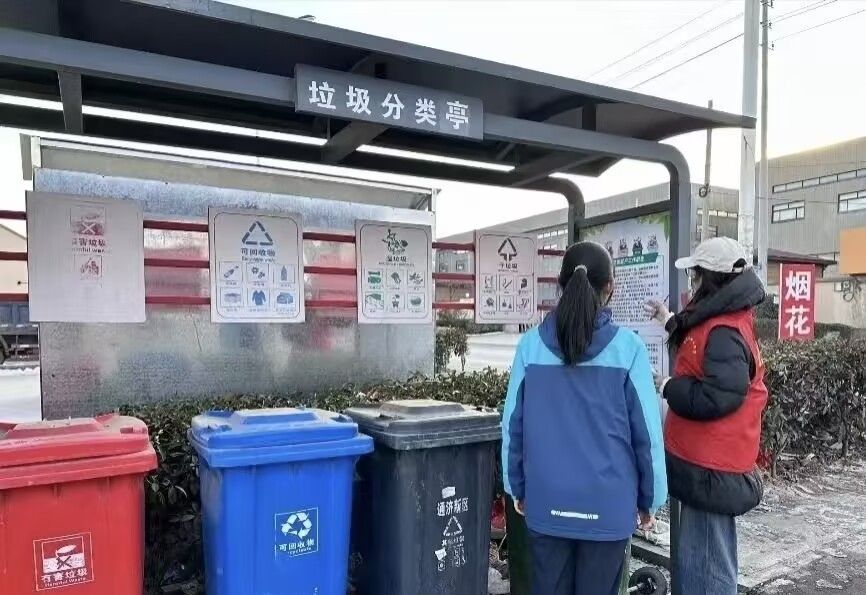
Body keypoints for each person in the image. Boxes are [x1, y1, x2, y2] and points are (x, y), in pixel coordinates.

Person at [502, 241, 667, 595]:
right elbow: (648, 438)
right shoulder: (629, 349)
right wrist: (650, 500)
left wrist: (516, 487)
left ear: (561, 285)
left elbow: (513, 426)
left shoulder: (530, 347)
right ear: (610, 287)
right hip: (608, 508)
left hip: (547, 503)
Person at [645, 236, 768, 595]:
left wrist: (668, 386)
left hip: (713, 465)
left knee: (708, 564)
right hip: (709, 462)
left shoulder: (725, 330)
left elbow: (718, 395)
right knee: (701, 556)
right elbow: (699, 342)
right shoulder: (723, 317)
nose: (693, 283)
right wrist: (669, 320)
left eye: (697, 275)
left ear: (712, 278)